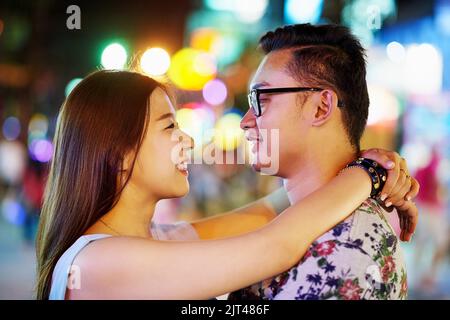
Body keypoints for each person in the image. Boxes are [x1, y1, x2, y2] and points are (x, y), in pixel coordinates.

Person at [36, 70, 417, 300]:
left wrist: (355, 163)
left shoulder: (153, 241)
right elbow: (275, 245)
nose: (186, 140)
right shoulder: (99, 264)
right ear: (118, 153)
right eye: (169, 126)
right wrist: (369, 173)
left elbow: (267, 211)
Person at [228, 24, 419, 300]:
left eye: (262, 99)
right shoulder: (306, 218)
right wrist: (368, 172)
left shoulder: (347, 254)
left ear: (321, 107)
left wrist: (368, 173)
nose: (246, 122)